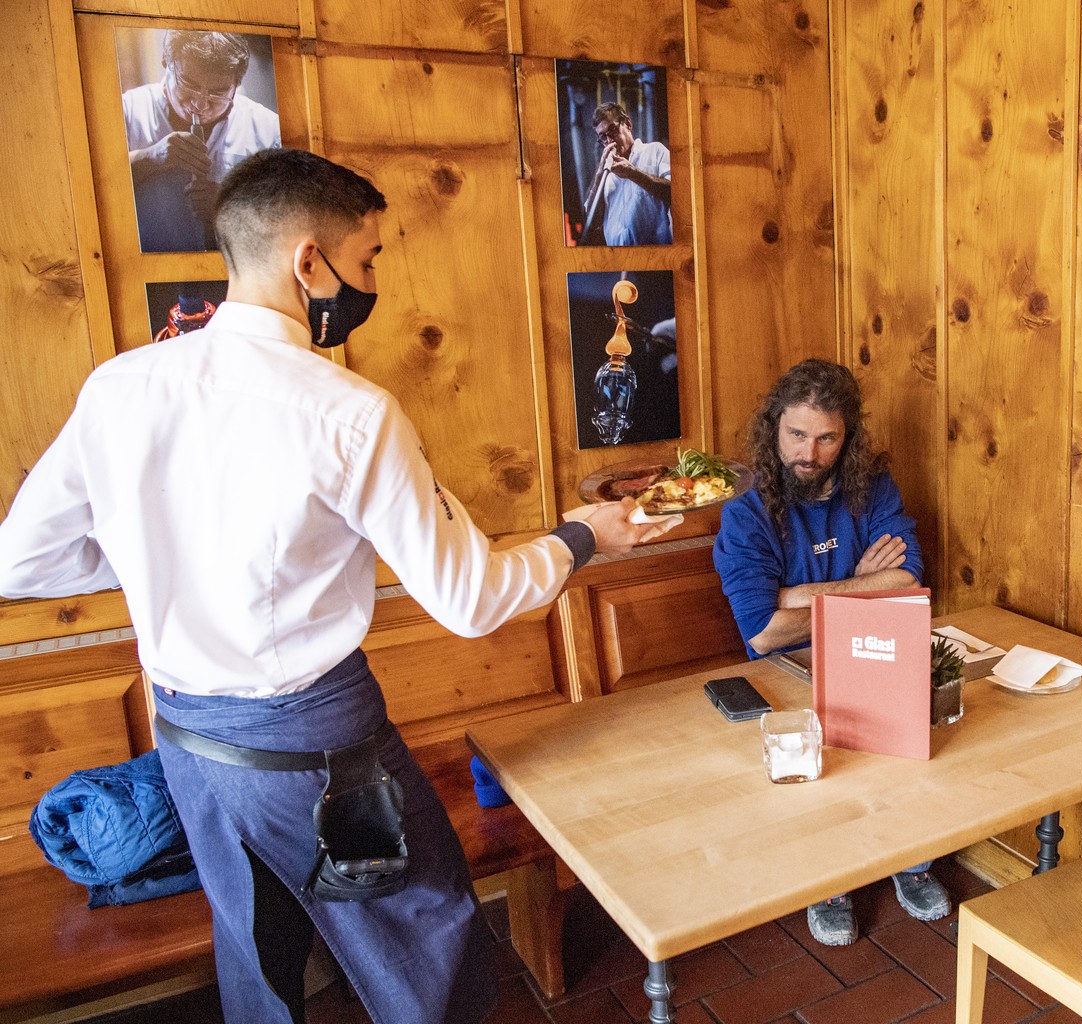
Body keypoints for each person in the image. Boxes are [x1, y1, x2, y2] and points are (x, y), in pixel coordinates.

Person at [0, 148, 650, 1024]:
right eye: (369, 257)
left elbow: (20, 563)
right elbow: (470, 599)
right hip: (317, 750)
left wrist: (163, 562)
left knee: (258, 962)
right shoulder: (346, 412)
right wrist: (583, 536)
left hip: (190, 744)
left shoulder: (118, 388)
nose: (371, 277)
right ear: (311, 260)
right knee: (428, 941)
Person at [712, 359, 950, 946]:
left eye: (826, 438)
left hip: (873, 650)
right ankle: (830, 879)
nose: (809, 453)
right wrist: (857, 587)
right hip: (784, 668)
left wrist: (797, 595)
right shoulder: (746, 515)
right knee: (820, 737)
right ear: (773, 431)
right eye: (796, 435)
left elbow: (908, 584)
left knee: (912, 720)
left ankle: (908, 857)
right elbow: (764, 631)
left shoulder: (874, 488)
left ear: (848, 439)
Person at [123, 30, 281, 252]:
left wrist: (231, 206)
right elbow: (93, 187)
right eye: (188, 83)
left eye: (218, 92)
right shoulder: (127, 112)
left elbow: (291, 222)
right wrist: (150, 157)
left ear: (237, 83)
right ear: (165, 62)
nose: (200, 105)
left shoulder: (268, 129)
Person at [585, 101, 672, 246]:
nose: (610, 140)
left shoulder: (655, 151)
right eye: (603, 137)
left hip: (656, 255)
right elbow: (592, 222)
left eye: (613, 130)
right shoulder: (605, 173)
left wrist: (632, 173)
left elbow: (675, 193)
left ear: (628, 124)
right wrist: (600, 173)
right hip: (618, 259)